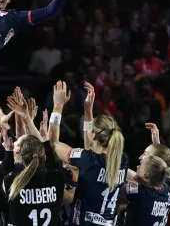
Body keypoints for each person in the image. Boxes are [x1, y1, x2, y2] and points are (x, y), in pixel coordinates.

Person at [49, 81, 128, 226]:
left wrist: (58, 106)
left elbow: (53, 144)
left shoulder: (87, 159)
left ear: (94, 135)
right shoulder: (122, 160)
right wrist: (88, 110)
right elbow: (91, 149)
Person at [0, 135, 65, 226]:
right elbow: (53, 169)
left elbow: (3, 176)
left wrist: (8, 153)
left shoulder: (13, 180)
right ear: (45, 157)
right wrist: (46, 144)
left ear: (23, 159)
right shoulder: (58, 178)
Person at [124, 155, 170, 226]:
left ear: (146, 176)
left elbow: (121, 180)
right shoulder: (165, 192)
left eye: (140, 166)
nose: (137, 166)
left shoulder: (140, 193)